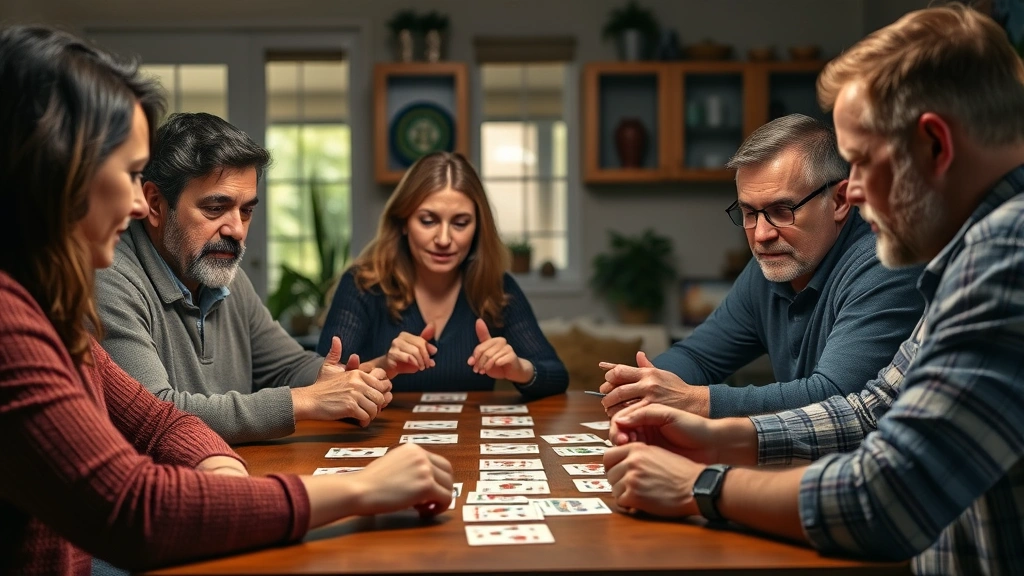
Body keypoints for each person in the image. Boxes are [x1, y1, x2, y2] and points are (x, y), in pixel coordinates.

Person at [0, 26, 455, 576]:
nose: (133, 200)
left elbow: (159, 422)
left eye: (247, 210)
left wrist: (220, 469)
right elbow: (134, 511)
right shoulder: (14, 322)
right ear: (52, 174)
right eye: (125, 172)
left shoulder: (47, 311)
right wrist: (361, 490)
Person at [602, 5, 1024, 574]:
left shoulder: (1006, 253)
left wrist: (701, 485)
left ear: (934, 146)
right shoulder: (970, 251)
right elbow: (873, 410)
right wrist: (718, 437)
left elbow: (887, 498)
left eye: (859, 161)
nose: (848, 191)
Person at [94, 112, 392, 444]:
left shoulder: (224, 276)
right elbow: (154, 411)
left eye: (246, 210)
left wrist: (346, 381)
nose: (236, 230)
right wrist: (307, 401)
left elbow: (287, 367)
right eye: (215, 208)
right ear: (154, 204)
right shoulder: (109, 278)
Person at [600, 114, 923, 418]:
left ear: (839, 201)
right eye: (749, 213)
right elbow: (698, 356)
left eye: (783, 210)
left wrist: (693, 400)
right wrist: (645, 382)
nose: (762, 235)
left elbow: (837, 399)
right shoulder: (770, 267)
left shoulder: (887, 262)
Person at [317, 152, 568, 397]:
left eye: (460, 223)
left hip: (471, 438)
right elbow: (324, 385)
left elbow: (557, 376)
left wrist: (520, 369)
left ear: (478, 228)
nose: (444, 239)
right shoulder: (362, 285)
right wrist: (385, 365)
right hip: (385, 439)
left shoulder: (497, 288)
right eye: (428, 221)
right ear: (403, 222)